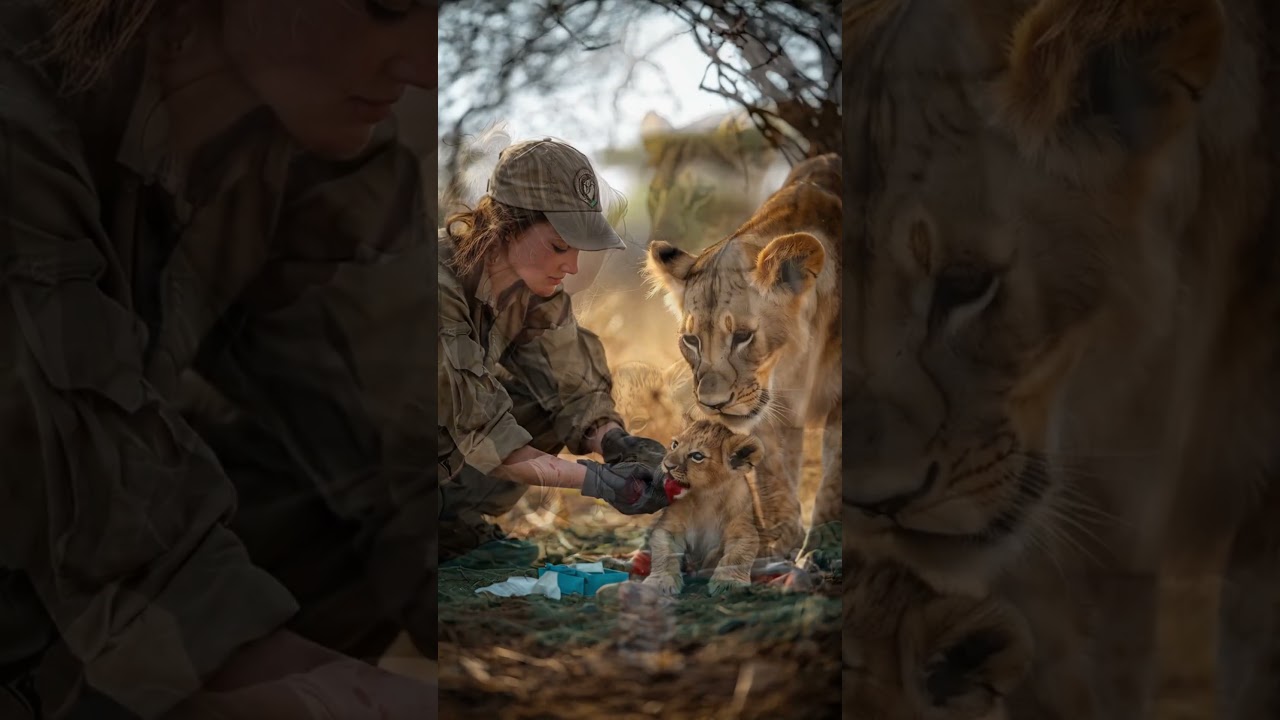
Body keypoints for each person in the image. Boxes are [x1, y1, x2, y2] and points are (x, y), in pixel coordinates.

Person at [0, 0, 438, 718]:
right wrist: (296, 688)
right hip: (31, 586)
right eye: (386, 9)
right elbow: (58, 462)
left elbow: (401, 453)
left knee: (341, 508)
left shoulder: (300, 137)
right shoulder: (19, 111)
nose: (424, 67)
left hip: (106, 565)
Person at [438, 137, 671, 565]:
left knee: (544, 398)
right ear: (504, 226)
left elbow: (573, 388)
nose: (573, 265)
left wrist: (618, 443)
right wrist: (602, 482)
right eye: (560, 245)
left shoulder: (531, 288)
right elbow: (487, 435)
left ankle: (450, 527)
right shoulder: (435, 285)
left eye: (579, 245)